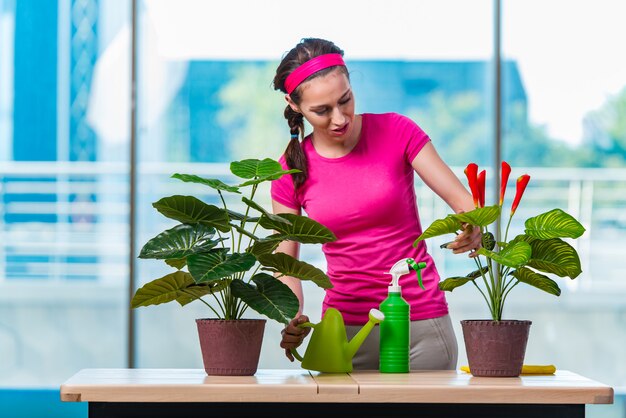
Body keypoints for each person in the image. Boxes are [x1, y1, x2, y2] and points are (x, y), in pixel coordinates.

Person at [270, 38, 482, 370]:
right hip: (342, 334)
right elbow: (287, 266)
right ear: (294, 106)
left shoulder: (397, 131)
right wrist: (292, 316)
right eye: (322, 111)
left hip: (420, 327)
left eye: (345, 100)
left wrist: (473, 224)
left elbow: (463, 202)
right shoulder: (289, 169)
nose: (340, 118)